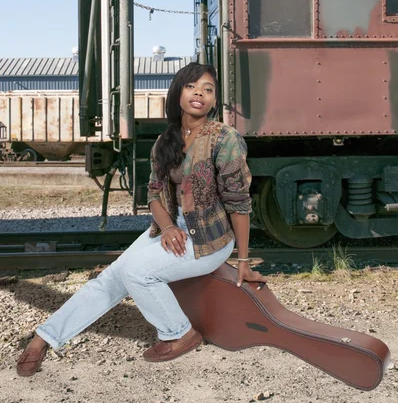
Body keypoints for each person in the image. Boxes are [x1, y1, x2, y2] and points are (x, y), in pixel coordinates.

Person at [16, 62, 266, 376]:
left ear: (215, 100)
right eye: (191, 87)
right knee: (111, 278)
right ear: (178, 93)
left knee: (137, 273)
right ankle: (45, 337)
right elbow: (154, 193)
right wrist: (168, 226)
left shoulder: (224, 139)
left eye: (208, 89)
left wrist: (243, 260)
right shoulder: (167, 141)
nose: (199, 94)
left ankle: (179, 333)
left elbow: (239, 203)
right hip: (175, 229)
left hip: (210, 240)